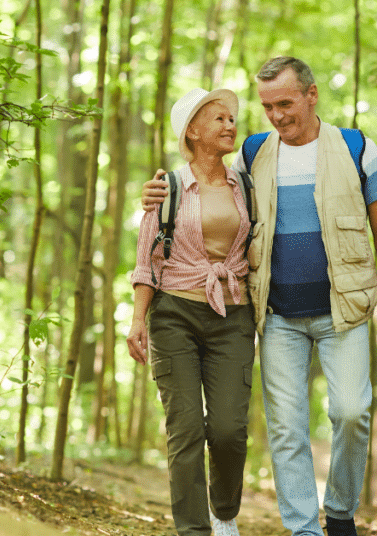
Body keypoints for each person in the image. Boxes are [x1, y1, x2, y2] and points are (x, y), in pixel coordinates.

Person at [140, 57, 377, 536]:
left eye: (286, 103)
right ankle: (304, 529)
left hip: (343, 310)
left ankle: (341, 513)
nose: (277, 116)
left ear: (311, 95)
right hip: (277, 316)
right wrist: (157, 192)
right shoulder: (253, 153)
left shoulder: (356, 148)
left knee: (351, 412)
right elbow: (204, 180)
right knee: (287, 430)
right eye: (267, 107)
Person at [127, 86, 255, 536]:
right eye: (218, 119)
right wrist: (137, 321)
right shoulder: (168, 188)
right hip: (174, 316)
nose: (229, 125)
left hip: (233, 316)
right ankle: (194, 531)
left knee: (228, 429)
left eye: (231, 119)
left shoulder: (247, 185)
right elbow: (147, 262)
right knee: (185, 430)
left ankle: (223, 513)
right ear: (193, 131)